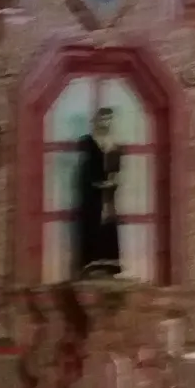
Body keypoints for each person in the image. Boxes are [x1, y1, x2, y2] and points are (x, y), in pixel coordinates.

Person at [75, 107, 123, 279]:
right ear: (96, 121)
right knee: (91, 224)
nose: (106, 123)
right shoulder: (88, 142)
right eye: (103, 119)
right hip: (91, 195)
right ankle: (90, 265)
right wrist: (95, 184)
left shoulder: (113, 144)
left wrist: (110, 184)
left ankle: (107, 266)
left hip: (107, 194)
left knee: (107, 225)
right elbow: (84, 171)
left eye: (109, 119)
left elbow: (115, 171)